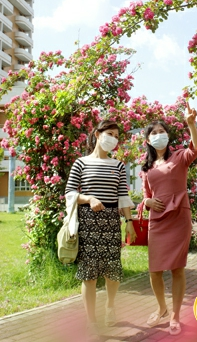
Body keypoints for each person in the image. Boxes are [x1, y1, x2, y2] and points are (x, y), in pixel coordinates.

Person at [65, 119, 136, 339]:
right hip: (88, 224)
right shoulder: (81, 163)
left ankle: (110, 306)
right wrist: (89, 198)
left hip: (111, 224)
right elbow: (69, 192)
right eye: (110, 134)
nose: (113, 139)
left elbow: (123, 196)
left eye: (116, 136)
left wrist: (129, 222)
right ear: (98, 134)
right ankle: (91, 321)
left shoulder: (118, 166)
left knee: (112, 270)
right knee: (89, 274)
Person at [141, 102, 197, 336]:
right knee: (154, 270)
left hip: (178, 218)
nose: (159, 135)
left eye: (162, 132)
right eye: (153, 133)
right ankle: (162, 310)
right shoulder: (146, 168)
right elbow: (146, 196)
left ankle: (175, 316)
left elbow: (195, 148)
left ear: (168, 135)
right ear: (147, 140)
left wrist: (191, 124)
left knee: (177, 269)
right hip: (157, 221)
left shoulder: (179, 157)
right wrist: (146, 202)